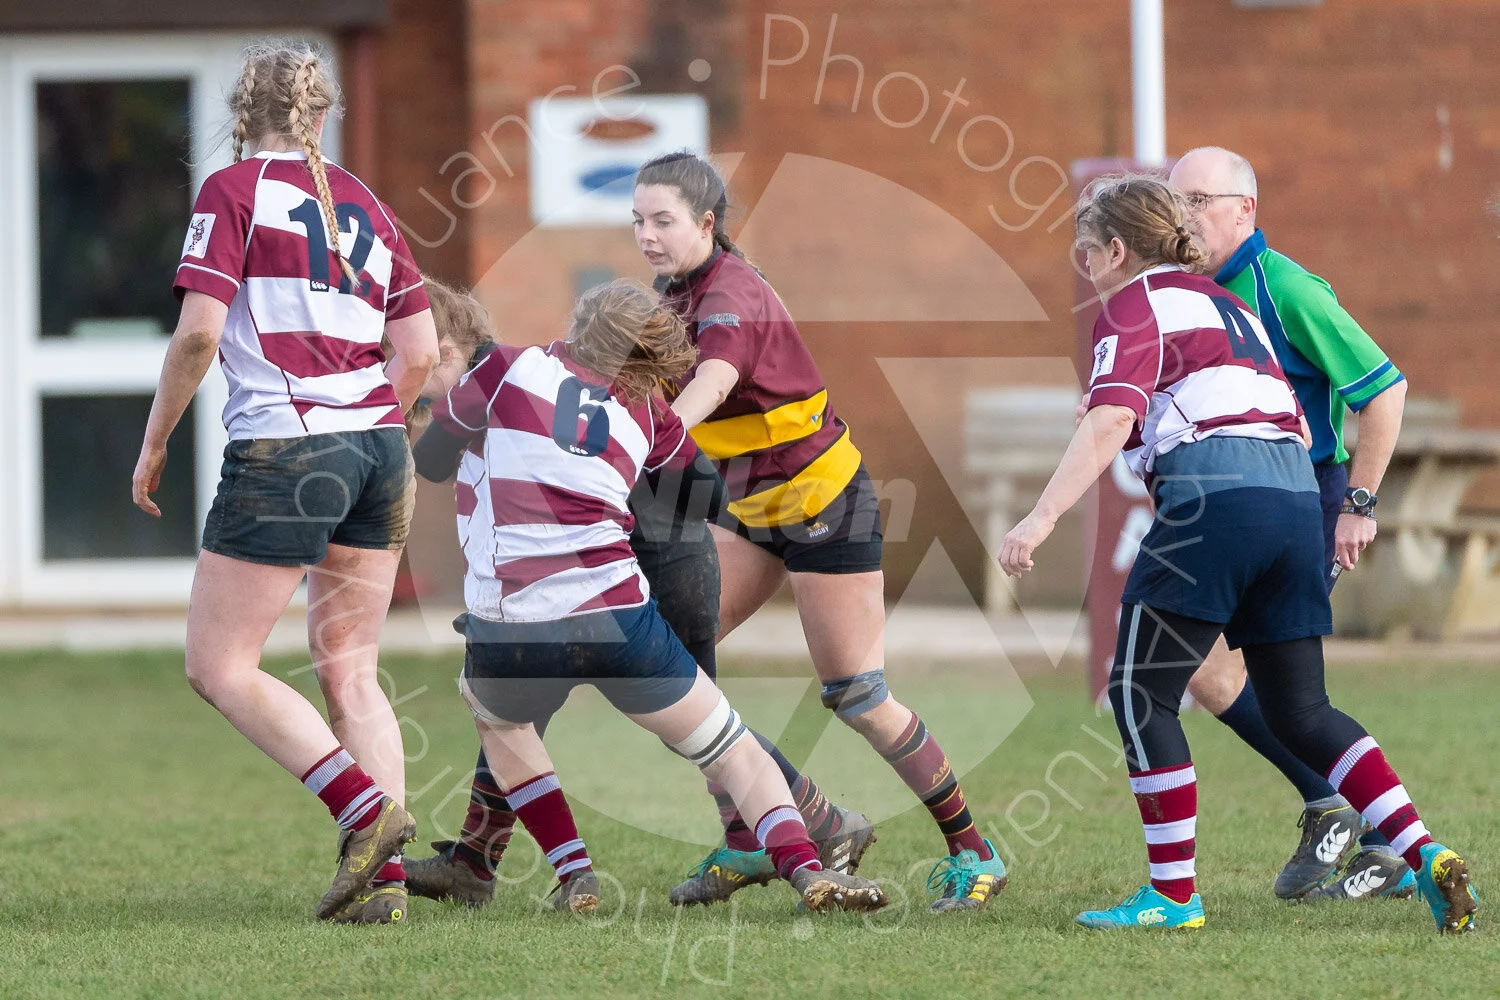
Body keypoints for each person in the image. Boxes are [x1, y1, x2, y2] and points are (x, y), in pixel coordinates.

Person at [999, 173, 1475, 934]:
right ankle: (1426, 853)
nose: (1083, 265)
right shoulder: (1231, 306)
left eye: (1085, 250)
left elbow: (1110, 420)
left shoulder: (1134, 303)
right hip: (1295, 503)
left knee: (1139, 693)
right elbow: (1279, 417)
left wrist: (1039, 518)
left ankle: (1172, 897)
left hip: (1214, 502)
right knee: (1303, 711)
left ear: (1117, 250)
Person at [410, 279, 887, 915]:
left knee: (500, 715)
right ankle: (807, 866)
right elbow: (706, 495)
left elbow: (431, 461)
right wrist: (616, 467)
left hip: (521, 620)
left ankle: (572, 872)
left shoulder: (504, 368)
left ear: (578, 323)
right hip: (619, 608)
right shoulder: (649, 411)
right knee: (727, 744)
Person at [633, 151, 1006, 912]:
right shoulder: (674, 295)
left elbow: (714, 380)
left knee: (857, 694)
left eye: (662, 220)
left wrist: (654, 435)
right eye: (637, 220)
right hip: (750, 511)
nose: (646, 235)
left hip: (824, 505)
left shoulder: (730, 290)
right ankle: (770, 833)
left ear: (706, 222)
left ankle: (975, 851)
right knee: (672, 673)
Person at [131, 42, 439, 925]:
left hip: (289, 448)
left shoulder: (232, 191)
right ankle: (382, 884)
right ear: (323, 114)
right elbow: (420, 353)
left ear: (243, 113)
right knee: (354, 673)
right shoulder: (369, 204)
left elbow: (199, 335)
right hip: (381, 448)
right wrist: (369, 424)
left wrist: (154, 441)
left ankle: (365, 812)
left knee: (219, 665)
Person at [1169, 146, 1414, 901]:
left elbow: (1384, 390)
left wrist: (1358, 505)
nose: (1183, 218)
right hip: (1241, 503)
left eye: (1198, 201)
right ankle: (1342, 811)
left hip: (1303, 500)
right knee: (1220, 676)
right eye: (1174, 202)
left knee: (1282, 694)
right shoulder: (1188, 293)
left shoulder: (1287, 288)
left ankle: (1383, 839)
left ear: (1245, 209)